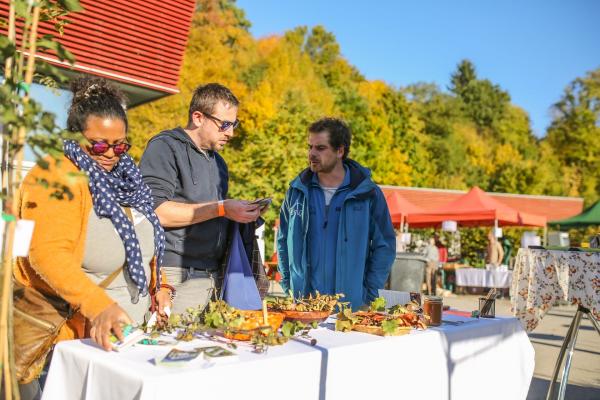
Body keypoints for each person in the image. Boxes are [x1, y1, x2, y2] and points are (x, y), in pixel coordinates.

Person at [15, 77, 172, 398]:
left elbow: (143, 242)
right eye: (99, 145)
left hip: (124, 343)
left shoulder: (129, 178)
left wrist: (161, 284)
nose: (110, 154)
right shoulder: (55, 174)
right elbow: (47, 254)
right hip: (69, 342)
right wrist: (99, 306)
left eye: (121, 145)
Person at [139, 83, 263, 313]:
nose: (231, 132)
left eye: (234, 124)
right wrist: (223, 208)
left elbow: (212, 211)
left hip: (213, 274)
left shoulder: (219, 163)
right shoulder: (164, 147)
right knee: (171, 346)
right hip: (174, 274)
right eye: (224, 124)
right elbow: (155, 211)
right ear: (198, 117)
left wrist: (241, 213)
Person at [277, 117, 396, 309]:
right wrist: (288, 286)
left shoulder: (367, 193)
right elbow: (282, 241)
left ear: (340, 150)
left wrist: (369, 294)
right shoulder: (296, 191)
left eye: (320, 148)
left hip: (350, 308)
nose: (311, 154)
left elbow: (385, 246)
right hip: (303, 306)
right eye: (310, 147)